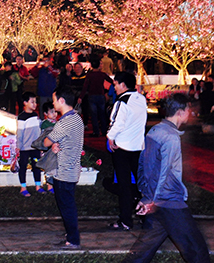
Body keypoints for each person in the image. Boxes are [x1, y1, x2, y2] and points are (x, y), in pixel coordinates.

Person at [123, 93, 210, 263]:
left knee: (143, 252)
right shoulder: (170, 137)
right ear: (180, 111)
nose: (190, 113)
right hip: (169, 201)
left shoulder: (155, 130)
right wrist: (150, 199)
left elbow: (143, 166)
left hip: (158, 201)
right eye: (188, 110)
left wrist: (147, 197)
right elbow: (163, 171)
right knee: (197, 251)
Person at [44, 86, 85, 249]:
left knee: (67, 208)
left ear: (62, 101)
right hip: (73, 169)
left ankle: (73, 240)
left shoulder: (64, 122)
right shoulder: (77, 118)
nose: (53, 103)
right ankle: (70, 236)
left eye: (54, 100)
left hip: (63, 172)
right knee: (69, 205)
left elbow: (47, 141)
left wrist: (52, 142)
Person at [107, 71, 147, 231]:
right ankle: (145, 217)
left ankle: (125, 220)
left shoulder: (122, 102)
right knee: (141, 183)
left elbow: (117, 123)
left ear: (123, 85)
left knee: (124, 185)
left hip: (122, 147)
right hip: (138, 147)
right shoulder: (141, 99)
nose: (114, 87)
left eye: (116, 84)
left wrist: (110, 137)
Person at [15, 92, 45, 196]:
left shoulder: (35, 115)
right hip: (24, 148)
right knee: (23, 167)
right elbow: (19, 133)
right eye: (32, 102)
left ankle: (38, 186)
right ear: (25, 103)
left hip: (35, 147)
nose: (35, 104)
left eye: (35, 102)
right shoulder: (21, 117)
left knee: (36, 166)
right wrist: (18, 146)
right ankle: (23, 187)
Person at [80, 57, 113, 137]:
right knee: (102, 113)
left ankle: (96, 131)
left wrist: (81, 96)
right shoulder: (102, 74)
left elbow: (85, 86)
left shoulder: (89, 75)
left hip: (92, 95)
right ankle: (104, 131)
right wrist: (107, 92)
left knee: (94, 114)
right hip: (101, 95)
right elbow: (112, 81)